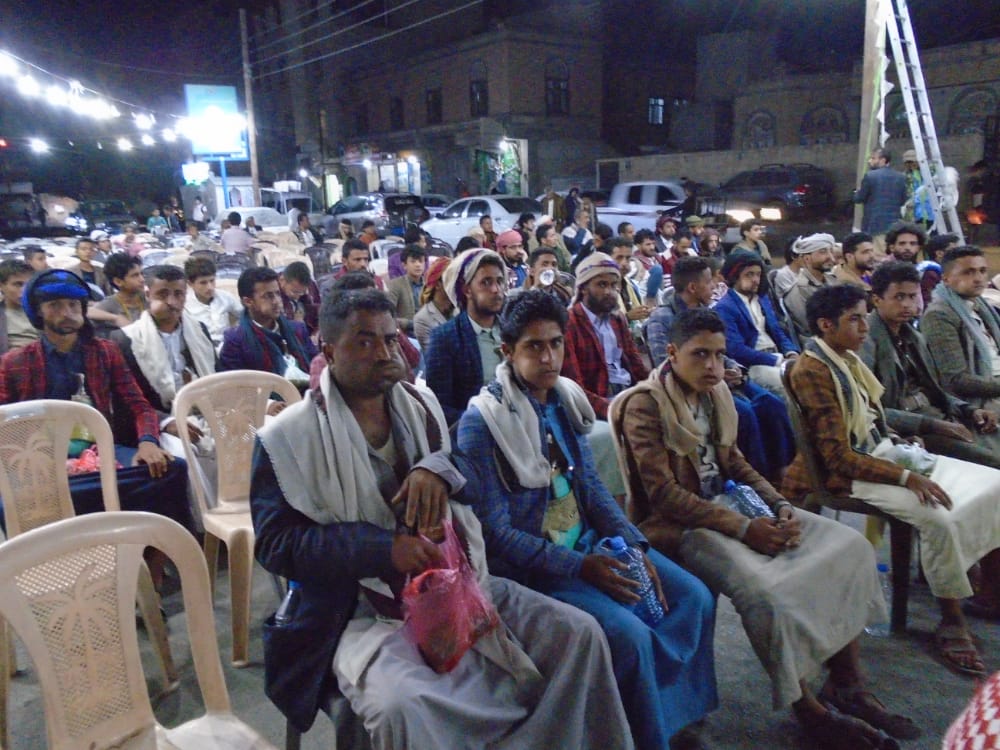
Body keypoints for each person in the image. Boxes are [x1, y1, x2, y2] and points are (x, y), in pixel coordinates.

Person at [251, 289, 630, 749]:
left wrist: (438, 470)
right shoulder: (287, 439)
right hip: (361, 610)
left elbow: (470, 477)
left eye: (390, 339)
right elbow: (276, 545)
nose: (384, 353)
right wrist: (383, 550)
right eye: (364, 341)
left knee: (579, 635)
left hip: (457, 579)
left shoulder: (422, 407)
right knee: (401, 707)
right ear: (328, 351)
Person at [614, 307, 917, 749]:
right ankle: (807, 709)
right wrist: (744, 528)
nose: (713, 366)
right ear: (672, 353)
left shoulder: (715, 394)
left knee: (849, 546)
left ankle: (847, 681)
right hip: (682, 523)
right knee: (769, 593)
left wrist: (779, 504)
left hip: (734, 503)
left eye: (719, 355)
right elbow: (664, 496)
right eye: (700, 355)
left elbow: (735, 463)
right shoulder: (646, 404)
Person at [457, 291, 718, 750]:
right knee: (629, 637)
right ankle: (645, 735)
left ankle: (679, 716)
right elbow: (496, 534)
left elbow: (592, 490)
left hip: (592, 543)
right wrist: (581, 566)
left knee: (694, 596)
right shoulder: (484, 422)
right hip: (540, 566)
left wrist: (635, 545)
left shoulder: (564, 400)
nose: (548, 357)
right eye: (534, 346)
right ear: (507, 351)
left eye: (555, 344)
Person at [784, 284, 1000, 677]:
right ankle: (951, 621)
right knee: (938, 517)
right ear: (826, 325)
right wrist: (905, 477)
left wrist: (901, 443)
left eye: (864, 317)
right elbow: (838, 456)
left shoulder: (845, 357)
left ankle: (991, 592)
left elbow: (871, 418)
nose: (865, 327)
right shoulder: (813, 370)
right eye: (855, 319)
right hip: (848, 473)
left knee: (993, 483)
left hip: (882, 452)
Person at [0, 270, 193, 577]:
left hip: (101, 453)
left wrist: (148, 442)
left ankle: (151, 574)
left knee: (170, 471)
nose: (67, 313)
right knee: (10, 502)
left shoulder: (104, 352)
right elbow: (5, 426)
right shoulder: (16, 362)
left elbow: (139, 405)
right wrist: (30, 463)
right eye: (55, 306)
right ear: (38, 312)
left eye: (73, 305)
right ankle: (50, 579)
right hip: (43, 462)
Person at [645, 258, 796, 481]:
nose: (715, 286)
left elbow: (721, 352)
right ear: (693, 287)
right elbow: (664, 363)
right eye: (709, 282)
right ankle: (756, 479)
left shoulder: (707, 312)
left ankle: (784, 472)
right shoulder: (662, 318)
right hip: (693, 385)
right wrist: (719, 374)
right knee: (745, 413)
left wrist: (734, 369)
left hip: (721, 377)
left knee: (771, 404)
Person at [861, 261, 1000, 469]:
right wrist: (934, 425)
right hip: (910, 429)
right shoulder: (865, 341)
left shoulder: (913, 337)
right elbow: (869, 410)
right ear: (876, 300)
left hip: (939, 415)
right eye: (899, 297)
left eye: (912, 296)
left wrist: (969, 410)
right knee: (991, 462)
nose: (907, 304)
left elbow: (935, 390)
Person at [109, 265, 217, 452]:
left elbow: (219, 380)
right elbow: (125, 402)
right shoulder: (125, 340)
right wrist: (166, 422)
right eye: (163, 294)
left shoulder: (199, 330)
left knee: (251, 435)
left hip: (207, 412)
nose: (172, 302)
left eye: (178, 294)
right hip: (159, 423)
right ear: (148, 294)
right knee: (184, 451)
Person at [561, 253, 649, 420]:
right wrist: (617, 411)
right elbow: (574, 388)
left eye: (613, 285)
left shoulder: (618, 319)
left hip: (628, 395)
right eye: (601, 284)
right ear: (584, 288)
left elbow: (636, 365)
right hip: (598, 403)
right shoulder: (569, 323)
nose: (609, 292)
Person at [424, 249, 507, 425]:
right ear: (467, 290)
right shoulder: (445, 339)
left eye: (500, 281)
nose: (496, 290)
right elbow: (438, 407)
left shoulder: (512, 331)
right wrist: (486, 422)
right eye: (486, 282)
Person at [922, 245, 1000, 411]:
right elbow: (955, 380)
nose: (978, 278)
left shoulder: (982, 306)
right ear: (946, 279)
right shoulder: (939, 315)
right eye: (968, 272)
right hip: (980, 401)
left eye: (982, 271)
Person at [713, 251, 798, 396]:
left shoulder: (762, 299)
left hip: (779, 356)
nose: (755, 280)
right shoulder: (725, 307)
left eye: (758, 274)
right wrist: (777, 360)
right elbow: (736, 349)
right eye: (749, 275)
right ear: (735, 277)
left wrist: (791, 353)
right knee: (789, 384)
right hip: (754, 364)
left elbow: (777, 331)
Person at [219, 267, 317, 382]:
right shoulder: (236, 341)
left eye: (277, 294)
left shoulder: (297, 329)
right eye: (268, 296)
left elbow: (315, 368)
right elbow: (235, 386)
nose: (276, 301)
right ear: (248, 301)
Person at [853, 148, 908, 257]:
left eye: (873, 158)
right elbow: (903, 200)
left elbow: (859, 198)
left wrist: (856, 193)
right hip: (895, 224)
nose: (870, 161)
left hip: (875, 224)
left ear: (883, 160)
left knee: (878, 256)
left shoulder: (870, 176)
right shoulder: (900, 177)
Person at [782, 233, 837, 339]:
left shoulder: (833, 281)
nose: (831, 257)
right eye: (823, 252)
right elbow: (811, 328)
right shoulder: (798, 291)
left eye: (831, 251)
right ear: (807, 259)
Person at [183, 256, 243, 349]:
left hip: (227, 347)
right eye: (203, 283)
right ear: (190, 284)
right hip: (200, 348)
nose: (210, 287)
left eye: (212, 281)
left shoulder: (225, 297)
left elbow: (244, 315)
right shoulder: (185, 306)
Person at [87, 253, 146, 336]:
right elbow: (87, 312)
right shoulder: (112, 302)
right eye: (135, 276)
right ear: (118, 281)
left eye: (141, 274)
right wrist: (115, 318)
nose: (142, 279)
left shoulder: (147, 296)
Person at [412, 256, 453, 350]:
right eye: (452, 279)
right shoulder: (422, 319)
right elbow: (436, 354)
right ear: (438, 284)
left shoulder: (461, 309)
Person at [386, 244, 426, 335]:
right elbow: (388, 315)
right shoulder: (395, 284)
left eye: (421, 261)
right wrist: (409, 324)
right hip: (405, 333)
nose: (418, 265)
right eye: (413, 261)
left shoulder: (429, 285)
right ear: (404, 265)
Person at [0, 259, 37, 355]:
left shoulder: (40, 311)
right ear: (1, 286)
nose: (24, 290)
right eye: (18, 284)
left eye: (28, 285)